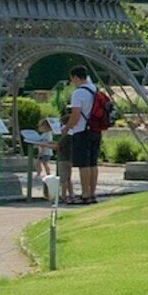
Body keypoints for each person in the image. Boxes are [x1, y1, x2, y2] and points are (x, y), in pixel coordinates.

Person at [58, 70, 112, 205]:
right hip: (95, 130)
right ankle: (92, 193)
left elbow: (75, 116)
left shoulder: (78, 93)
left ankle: (85, 194)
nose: (71, 82)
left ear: (76, 77)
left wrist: (66, 127)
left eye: (72, 79)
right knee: (93, 163)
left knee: (83, 165)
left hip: (82, 131)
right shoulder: (95, 90)